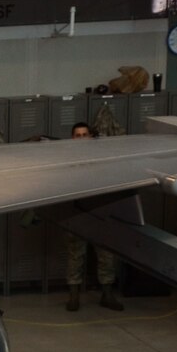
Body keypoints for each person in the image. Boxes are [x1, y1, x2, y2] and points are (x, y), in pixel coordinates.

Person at [63, 122, 122, 311]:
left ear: (90, 136)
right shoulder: (66, 161)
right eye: (77, 135)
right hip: (77, 212)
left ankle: (107, 293)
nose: (81, 138)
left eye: (84, 135)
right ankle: (74, 296)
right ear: (72, 138)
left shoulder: (100, 159)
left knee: (106, 254)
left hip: (99, 211)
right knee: (75, 254)